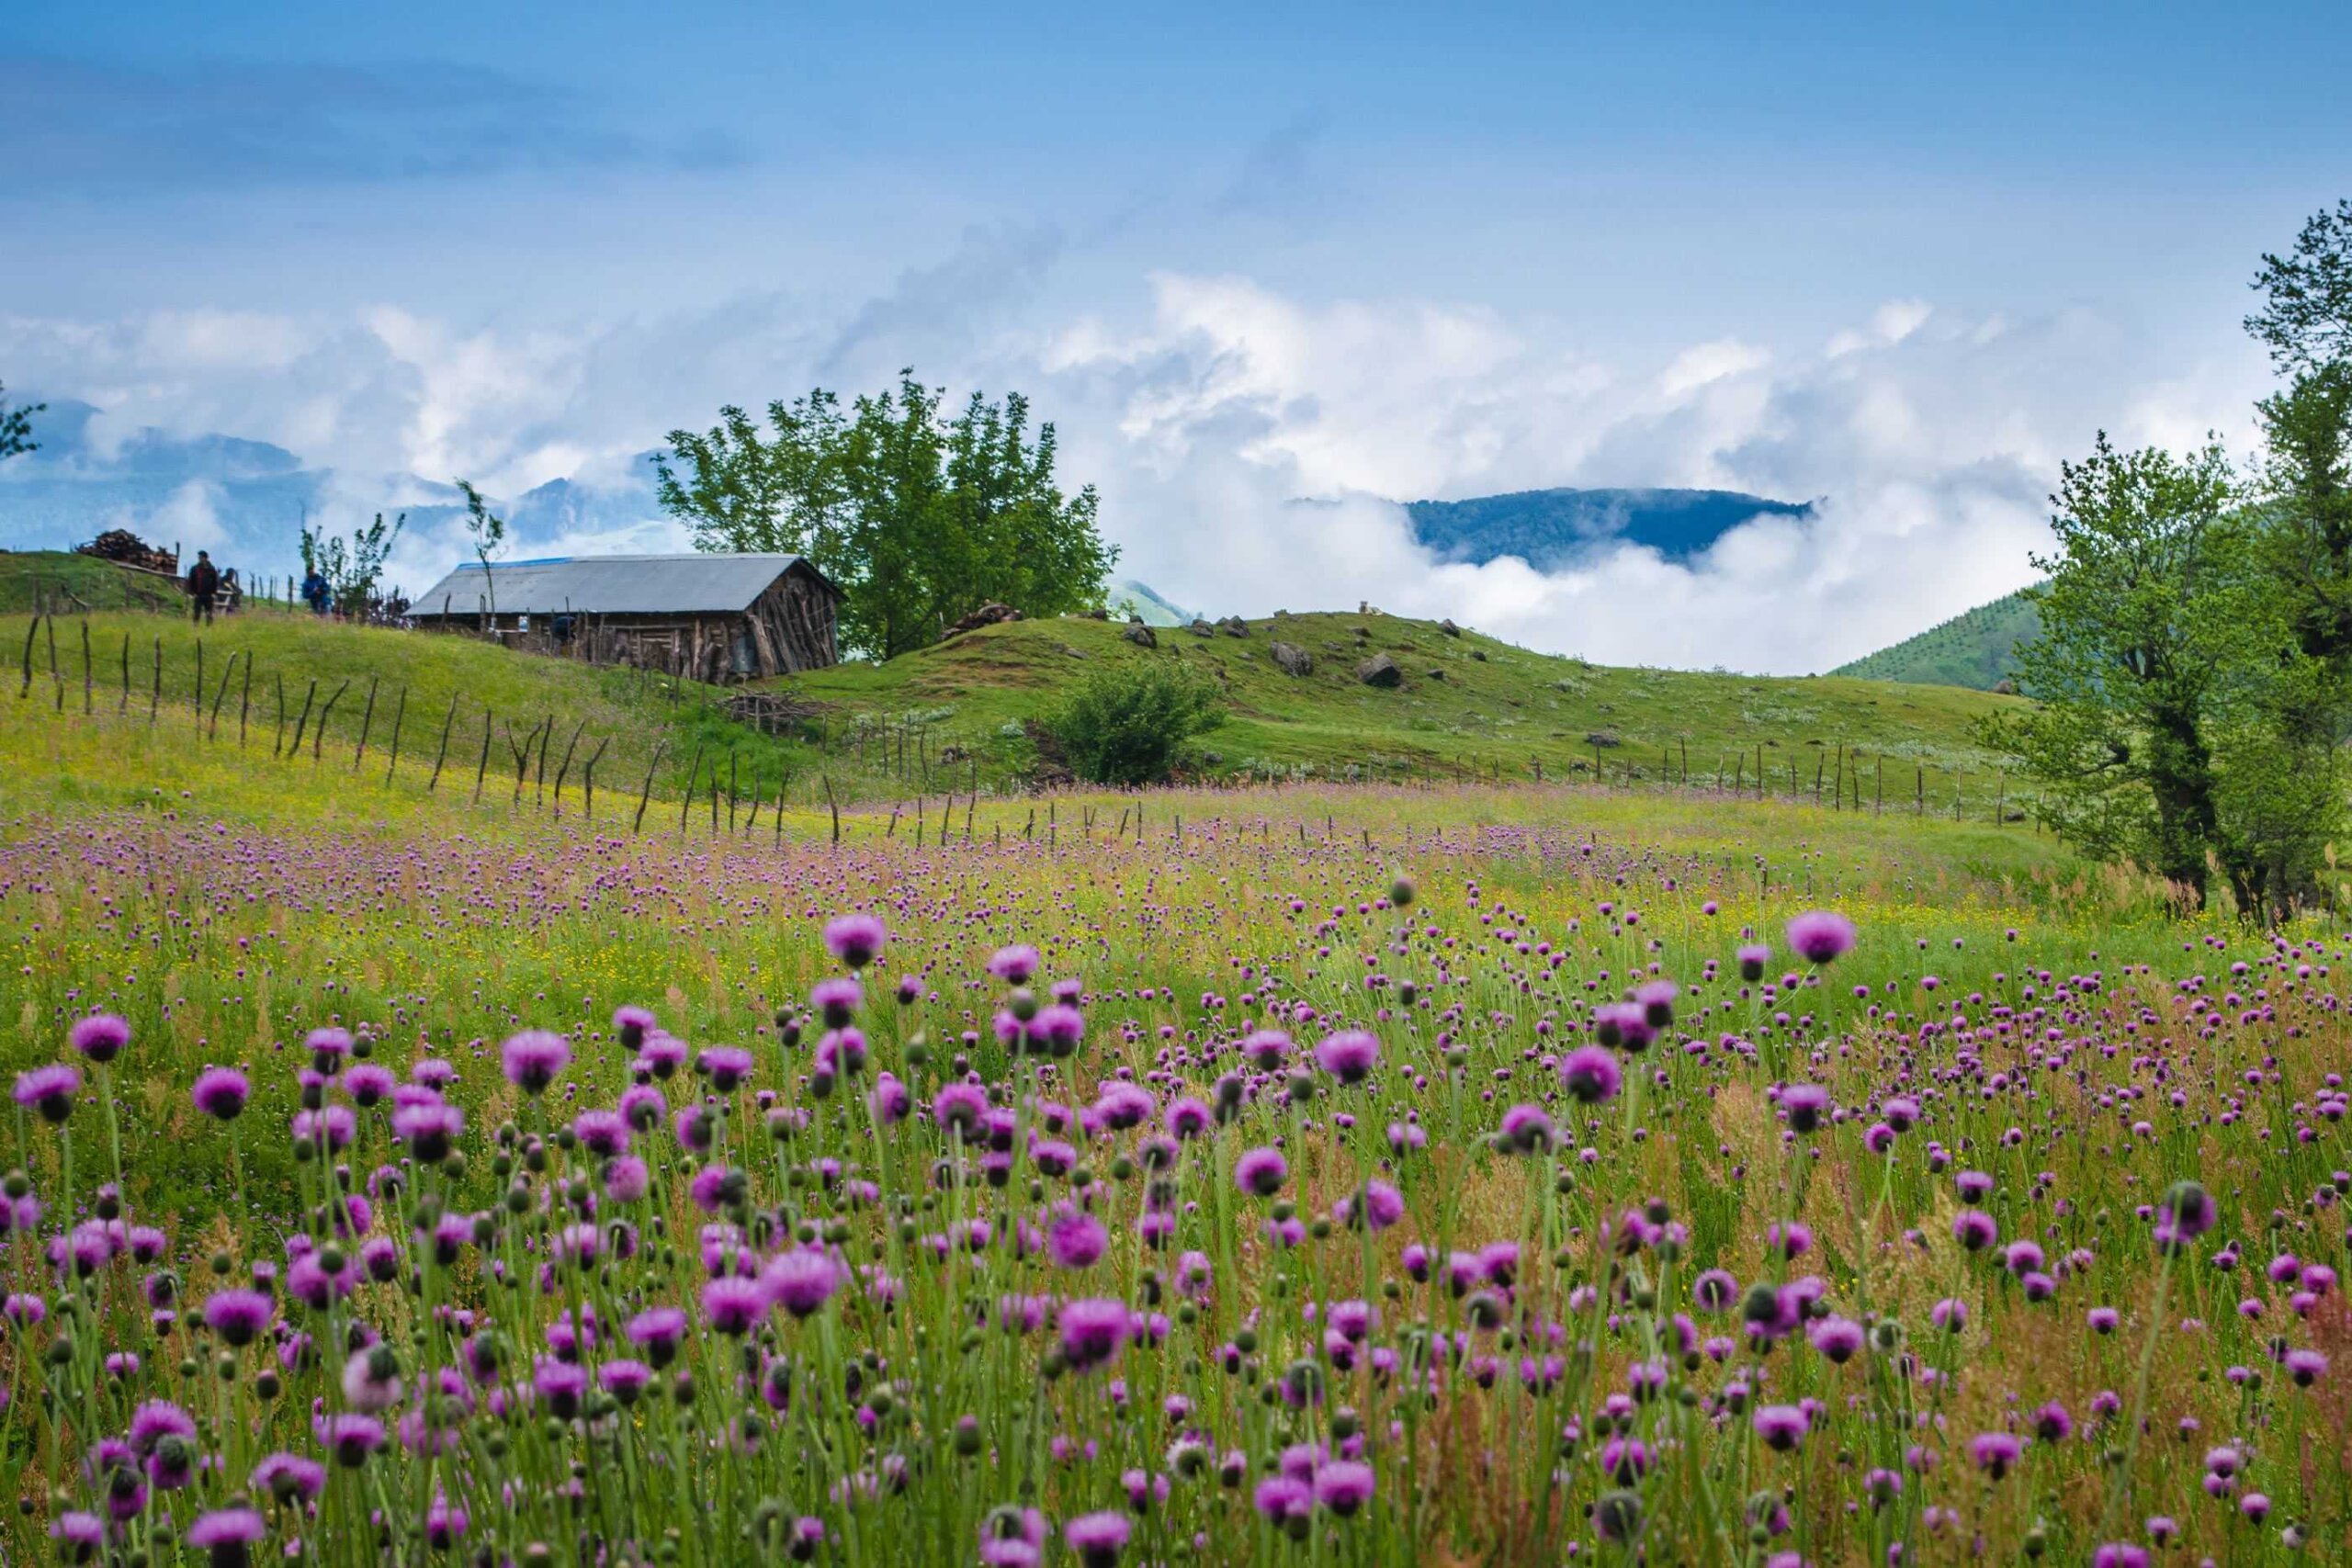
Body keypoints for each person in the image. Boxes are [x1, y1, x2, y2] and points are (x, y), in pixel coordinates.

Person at [186, 550, 220, 625]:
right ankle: (195, 628)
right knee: (196, 612)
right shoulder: (194, 569)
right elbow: (190, 581)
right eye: (199, 557)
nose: (200, 559)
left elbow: (215, 582)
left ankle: (209, 629)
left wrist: (214, 593)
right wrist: (191, 593)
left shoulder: (211, 569)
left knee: (209, 612)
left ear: (205, 558)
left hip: (209, 595)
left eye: (201, 557)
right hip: (198, 594)